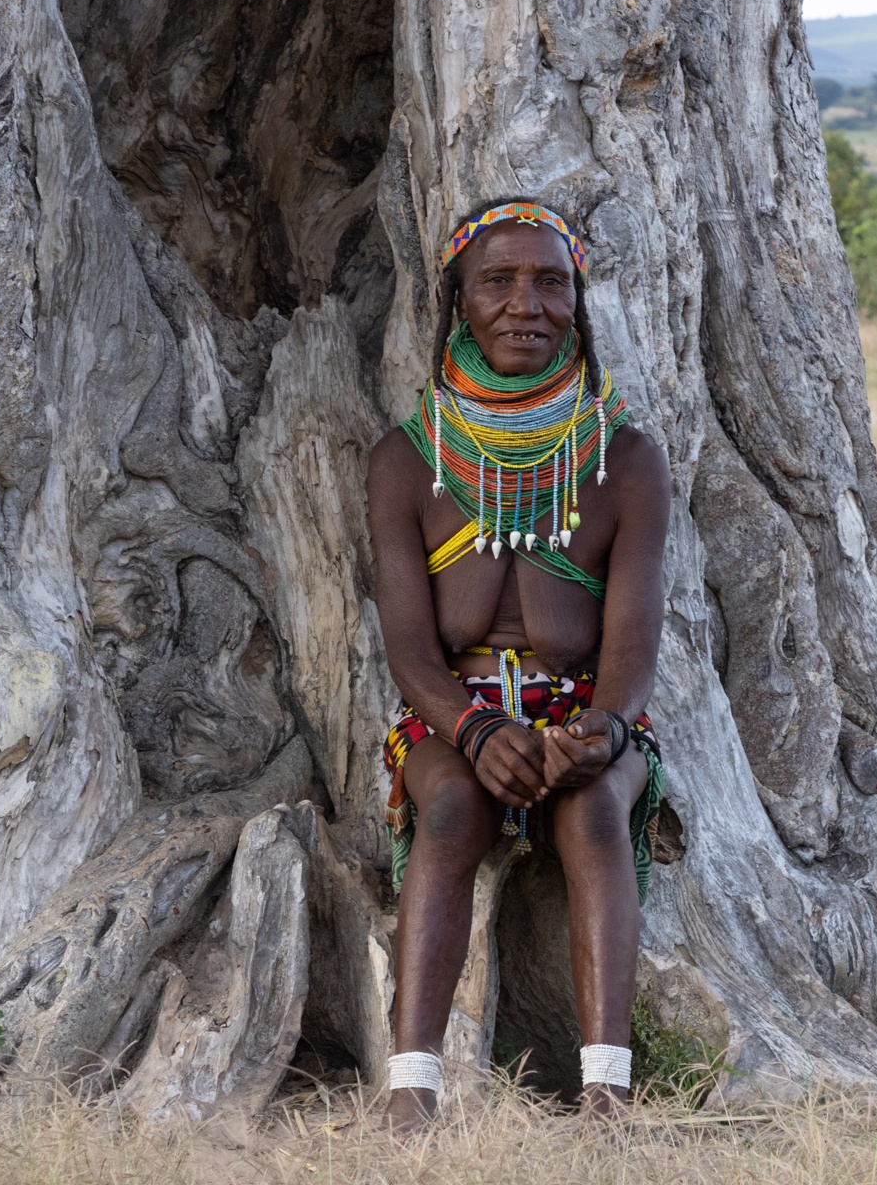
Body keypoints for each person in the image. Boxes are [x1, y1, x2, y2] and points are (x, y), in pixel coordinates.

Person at [366, 200, 671, 1128]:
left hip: (583, 715)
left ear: (577, 302)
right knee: (451, 806)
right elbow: (409, 651)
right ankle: (411, 1087)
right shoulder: (404, 462)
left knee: (590, 812)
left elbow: (632, 651)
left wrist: (601, 732)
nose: (523, 304)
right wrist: (476, 727)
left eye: (550, 281)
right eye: (495, 280)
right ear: (457, 300)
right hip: (449, 718)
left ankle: (606, 1090)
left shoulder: (624, 462)